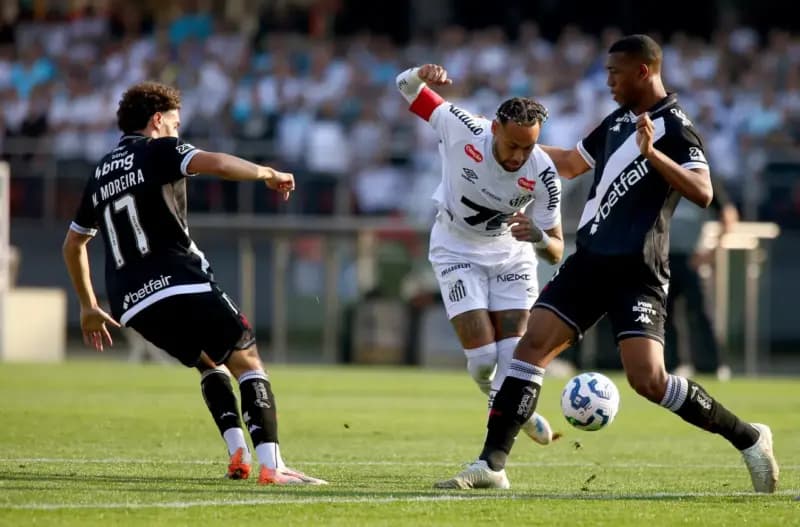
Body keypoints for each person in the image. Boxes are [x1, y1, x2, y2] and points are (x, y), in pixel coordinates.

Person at [435, 35, 779, 493]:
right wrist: (490, 137)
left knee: (649, 380)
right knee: (530, 348)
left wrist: (653, 154)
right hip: (590, 262)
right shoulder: (617, 122)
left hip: (638, 272)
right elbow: (570, 165)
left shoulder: (676, 128)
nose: (609, 82)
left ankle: (750, 438)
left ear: (643, 71)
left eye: (615, 73)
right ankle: (492, 465)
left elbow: (703, 192)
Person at [62, 81, 326, 486]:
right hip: (179, 281)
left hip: (132, 303)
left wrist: (87, 305)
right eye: (175, 123)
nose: (177, 131)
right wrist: (268, 173)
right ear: (157, 120)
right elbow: (217, 164)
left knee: (208, 363)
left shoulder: (99, 172)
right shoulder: (158, 149)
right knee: (248, 360)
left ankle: (238, 451)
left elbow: (73, 243)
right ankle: (274, 466)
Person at [395, 64, 565, 446]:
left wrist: (537, 236)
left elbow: (555, 252)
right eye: (513, 145)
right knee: (484, 360)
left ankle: (498, 444)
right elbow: (404, 86)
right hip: (455, 247)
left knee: (512, 359)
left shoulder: (543, 174)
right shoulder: (460, 125)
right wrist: (421, 73)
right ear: (494, 129)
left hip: (511, 255)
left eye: (529, 147)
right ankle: (513, 408)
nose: (520, 155)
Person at [666, 176, 739, 380]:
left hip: (691, 259)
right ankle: (673, 364)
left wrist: (711, 252)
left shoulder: (704, 178)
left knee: (701, 313)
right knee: (663, 314)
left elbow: (729, 215)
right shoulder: (661, 175)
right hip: (662, 258)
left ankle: (712, 365)